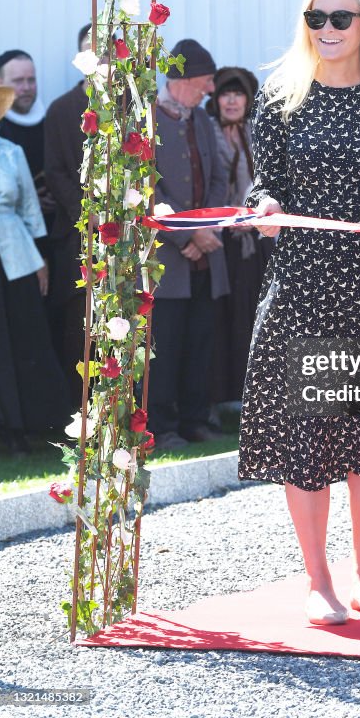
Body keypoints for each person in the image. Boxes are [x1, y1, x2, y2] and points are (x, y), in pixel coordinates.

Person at [238, 0, 360, 626]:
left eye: (339, 18)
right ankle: (317, 581)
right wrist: (265, 207)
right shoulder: (279, 96)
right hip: (305, 286)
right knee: (308, 436)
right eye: (315, 17)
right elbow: (264, 184)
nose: (325, 29)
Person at [148, 39, 230, 450]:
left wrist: (207, 229)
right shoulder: (146, 118)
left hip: (205, 254)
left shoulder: (201, 118)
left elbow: (218, 177)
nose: (211, 90)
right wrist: (187, 234)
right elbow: (146, 188)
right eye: (206, 81)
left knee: (200, 342)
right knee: (165, 345)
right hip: (166, 259)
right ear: (184, 79)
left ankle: (196, 420)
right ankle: (162, 427)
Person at [0, 87, 69, 454]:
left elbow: (30, 208)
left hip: (16, 254)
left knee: (24, 337)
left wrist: (40, 260)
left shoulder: (11, 152)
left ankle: (27, 425)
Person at [206, 67, 273, 408]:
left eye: (238, 94)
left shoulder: (258, 132)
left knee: (257, 311)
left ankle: (258, 394)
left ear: (248, 100)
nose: (231, 101)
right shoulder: (207, 131)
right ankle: (224, 396)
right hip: (219, 240)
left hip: (257, 241)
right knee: (223, 316)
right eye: (225, 94)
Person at [44, 25, 92, 405]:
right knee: (80, 323)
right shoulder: (62, 109)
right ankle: (79, 409)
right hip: (79, 236)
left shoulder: (132, 104)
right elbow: (55, 172)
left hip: (126, 235)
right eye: (91, 48)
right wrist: (86, 213)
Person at [0, 49, 55, 261]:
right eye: (18, 81)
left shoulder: (49, 122)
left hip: (49, 231)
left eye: (31, 80)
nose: (27, 87)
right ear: (0, 83)